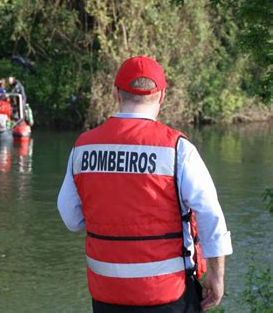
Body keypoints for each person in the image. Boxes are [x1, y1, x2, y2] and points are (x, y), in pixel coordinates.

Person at [57, 56, 232, 312]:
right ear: (161, 95)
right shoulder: (177, 149)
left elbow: (70, 217)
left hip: (107, 294)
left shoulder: (84, 147)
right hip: (169, 295)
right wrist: (216, 276)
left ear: (116, 93)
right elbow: (210, 214)